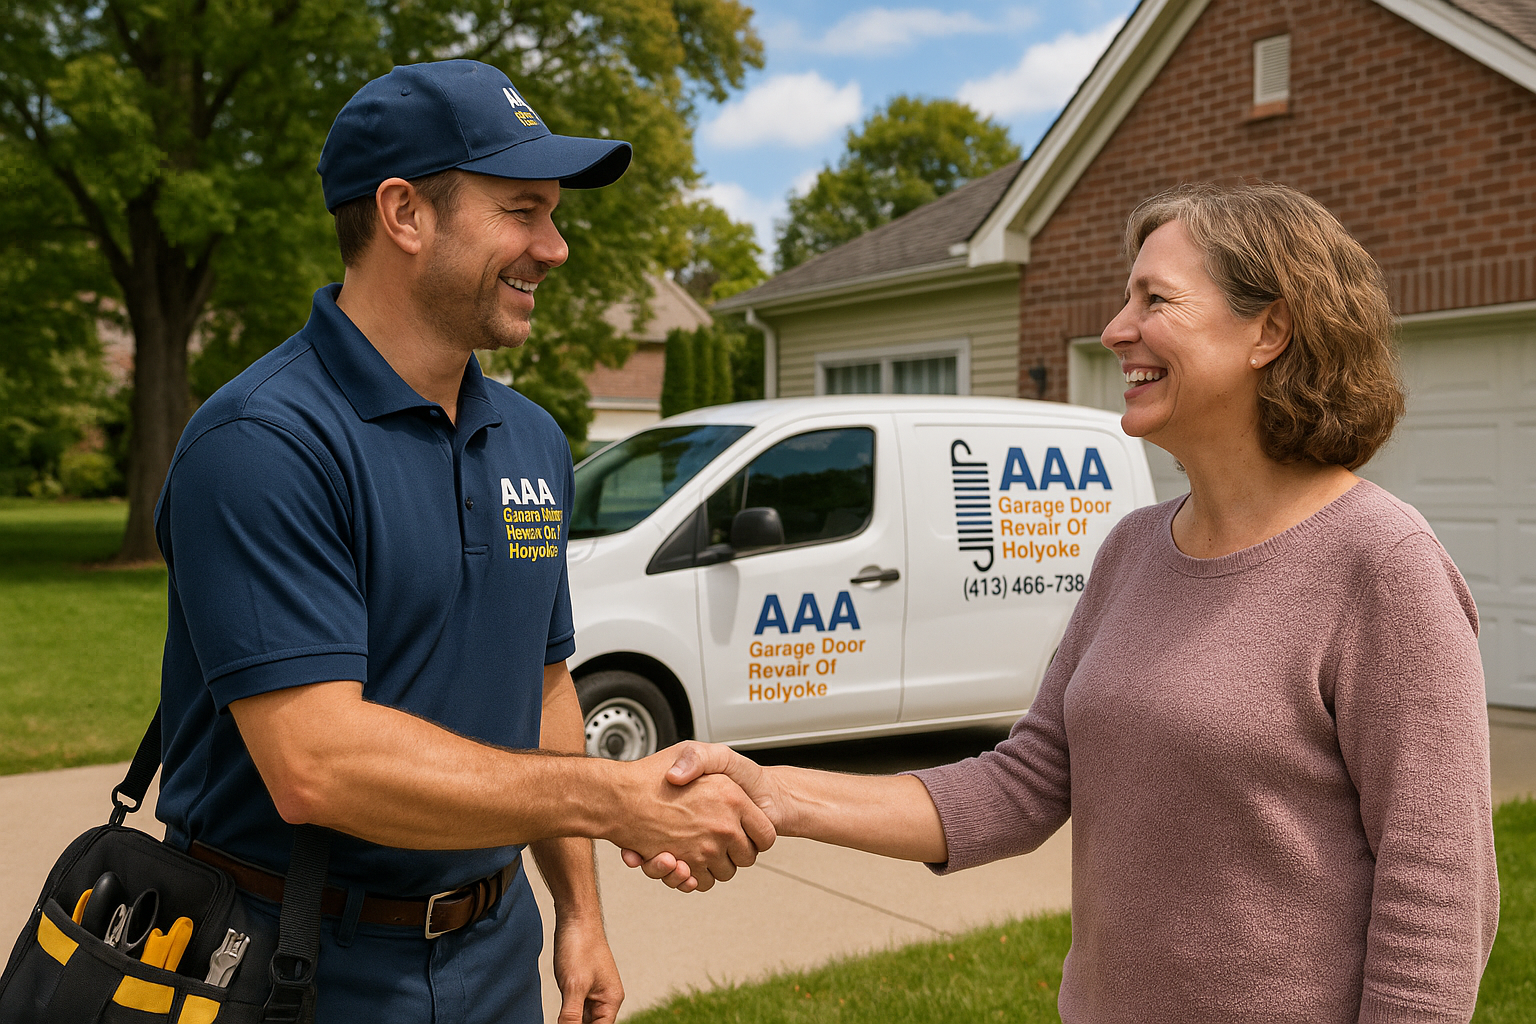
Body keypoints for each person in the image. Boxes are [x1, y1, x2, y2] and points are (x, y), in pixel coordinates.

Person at [631, 181, 1501, 1022]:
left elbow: (1439, 892)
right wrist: (772, 792)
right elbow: (1023, 784)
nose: (1117, 329)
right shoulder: (1132, 550)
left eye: (1155, 299)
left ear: (1268, 329)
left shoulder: (1382, 566)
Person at [153, 59, 772, 1024]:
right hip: (291, 963)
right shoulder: (263, 442)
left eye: (554, 215)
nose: (554, 248)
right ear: (405, 214)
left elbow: (544, 682)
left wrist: (578, 911)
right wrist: (614, 800)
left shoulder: (530, 437)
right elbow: (319, 762)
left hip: (494, 953)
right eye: (522, 211)